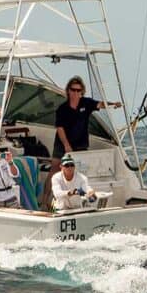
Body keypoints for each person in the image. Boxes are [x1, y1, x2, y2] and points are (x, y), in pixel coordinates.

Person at [41, 76, 121, 210]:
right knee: (54, 169)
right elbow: (60, 128)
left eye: (79, 90)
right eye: (73, 90)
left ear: (82, 92)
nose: (76, 93)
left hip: (80, 144)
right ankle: (44, 201)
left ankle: (80, 202)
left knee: (78, 171)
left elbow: (100, 104)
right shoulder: (62, 108)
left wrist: (113, 104)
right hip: (62, 143)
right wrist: (66, 145)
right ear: (68, 91)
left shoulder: (86, 103)